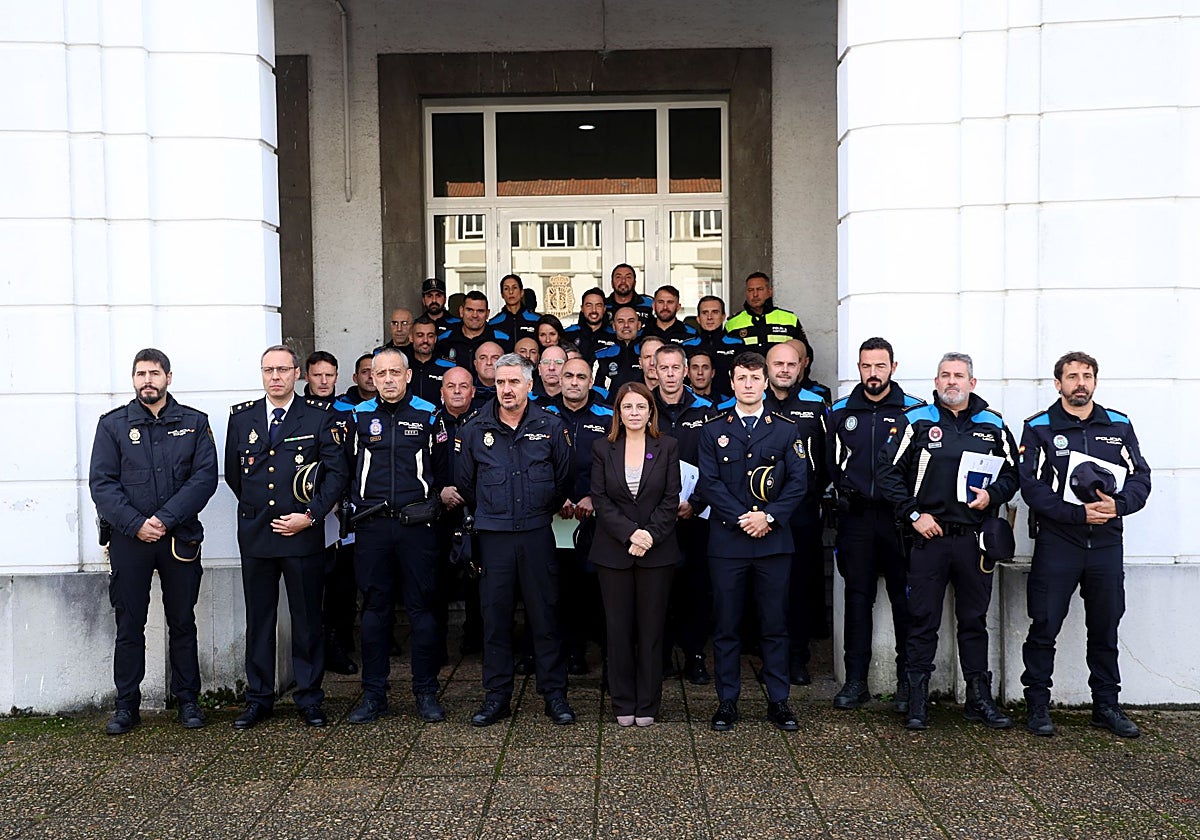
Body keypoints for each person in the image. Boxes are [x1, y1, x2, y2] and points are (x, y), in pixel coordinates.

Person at [877, 352, 1018, 731]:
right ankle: (917, 701)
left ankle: (978, 699)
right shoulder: (917, 421)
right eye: (944, 375)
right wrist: (913, 515)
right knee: (922, 620)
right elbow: (887, 474)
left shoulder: (993, 425)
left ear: (972, 383)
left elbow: (1012, 476)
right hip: (930, 538)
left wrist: (994, 497)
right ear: (936, 382)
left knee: (973, 621)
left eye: (959, 375)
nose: (951, 381)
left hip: (974, 541)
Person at [1019, 351, 1152, 738]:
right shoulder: (1039, 427)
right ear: (1057, 383)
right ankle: (1038, 705)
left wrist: (1120, 505)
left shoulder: (1119, 425)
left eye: (1087, 375)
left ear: (1095, 381)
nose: (1080, 382)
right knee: (1044, 625)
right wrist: (1076, 515)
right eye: (1072, 376)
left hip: (1107, 544)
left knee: (1105, 626)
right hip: (1059, 542)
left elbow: (1141, 477)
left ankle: (1106, 706)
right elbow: (1031, 487)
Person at [89, 348, 219, 735]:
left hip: (178, 538)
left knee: (183, 621)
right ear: (133, 379)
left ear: (168, 378)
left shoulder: (195, 424)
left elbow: (204, 479)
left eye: (155, 373)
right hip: (131, 540)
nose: (148, 380)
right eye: (141, 373)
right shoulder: (112, 425)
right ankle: (127, 706)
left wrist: (163, 519)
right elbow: (102, 484)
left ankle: (189, 701)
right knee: (130, 623)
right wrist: (135, 523)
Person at [224, 345, 349, 729]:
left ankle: (309, 697)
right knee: (259, 619)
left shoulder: (318, 417)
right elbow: (234, 474)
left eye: (282, 369)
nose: (275, 377)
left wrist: (309, 517)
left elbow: (336, 475)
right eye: (268, 370)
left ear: (297, 373)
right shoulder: (242, 419)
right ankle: (259, 697)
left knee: (307, 618)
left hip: (302, 534)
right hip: (258, 533)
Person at [455, 353, 576, 727]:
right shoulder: (475, 428)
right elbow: (465, 485)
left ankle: (554, 695)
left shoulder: (552, 426)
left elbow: (564, 479)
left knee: (546, 616)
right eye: (500, 382)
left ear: (529, 384)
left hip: (538, 533)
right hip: (494, 537)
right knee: (495, 620)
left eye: (513, 382)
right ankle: (497, 697)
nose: (506, 389)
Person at [699, 351, 807, 732]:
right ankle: (727, 701)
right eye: (741, 378)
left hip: (773, 543)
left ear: (765, 383)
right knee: (727, 626)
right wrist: (744, 519)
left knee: (774, 625)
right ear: (731, 382)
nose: (748, 384)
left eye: (754, 378)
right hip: (728, 543)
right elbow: (709, 483)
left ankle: (779, 702)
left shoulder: (786, 429)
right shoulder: (713, 429)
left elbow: (798, 482)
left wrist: (769, 517)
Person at [343, 348, 446, 724]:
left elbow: (443, 469)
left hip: (417, 527)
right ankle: (373, 694)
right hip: (372, 527)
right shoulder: (357, 417)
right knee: (374, 612)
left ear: (406, 376)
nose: (386, 379)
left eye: (393, 372)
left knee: (422, 611)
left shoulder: (428, 414)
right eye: (379, 373)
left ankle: (427, 691)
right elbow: (346, 469)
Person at [827, 337, 924, 712]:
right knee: (857, 599)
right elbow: (828, 464)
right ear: (859, 368)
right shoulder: (838, 412)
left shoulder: (915, 412)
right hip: (856, 519)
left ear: (893, 368)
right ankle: (855, 682)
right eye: (866, 367)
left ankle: (905, 683)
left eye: (880, 366)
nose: (873, 374)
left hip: (900, 520)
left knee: (905, 602)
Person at [590, 382, 682, 727]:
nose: (633, 413)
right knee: (618, 630)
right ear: (618, 412)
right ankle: (622, 702)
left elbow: (670, 498)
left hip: (657, 552)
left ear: (650, 412)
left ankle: (648, 704)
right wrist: (631, 533)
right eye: (627, 407)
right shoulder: (603, 448)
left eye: (640, 407)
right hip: (613, 551)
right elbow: (600, 499)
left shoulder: (668, 446)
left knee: (651, 630)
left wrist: (648, 536)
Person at [764, 342, 830, 687]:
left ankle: (798, 658)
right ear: (767, 367)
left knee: (801, 587)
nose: (785, 369)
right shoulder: (753, 403)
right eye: (778, 364)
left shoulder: (815, 406)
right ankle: (769, 658)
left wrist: (813, 497)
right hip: (760, 517)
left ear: (800, 367)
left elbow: (827, 460)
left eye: (791, 364)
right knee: (767, 589)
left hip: (802, 515)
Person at [651, 344, 716, 684]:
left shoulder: (708, 409)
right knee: (657, 589)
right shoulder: (642, 408)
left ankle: (695, 656)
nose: (671, 374)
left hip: (697, 517)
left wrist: (698, 502)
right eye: (665, 368)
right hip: (654, 519)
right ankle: (659, 658)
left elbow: (718, 463)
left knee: (696, 589)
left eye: (677, 368)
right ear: (654, 370)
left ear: (687, 371)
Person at [552, 357, 614, 673]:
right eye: (569, 376)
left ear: (591, 382)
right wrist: (555, 497)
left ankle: (605, 651)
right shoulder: (543, 414)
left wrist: (593, 496)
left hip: (597, 516)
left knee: (597, 586)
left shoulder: (607, 416)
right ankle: (571, 652)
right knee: (562, 588)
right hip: (555, 517)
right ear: (558, 379)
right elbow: (536, 462)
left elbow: (614, 464)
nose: (574, 382)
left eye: (581, 377)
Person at [302, 350, 359, 677]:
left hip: (342, 510)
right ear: (306, 376)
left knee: (343, 582)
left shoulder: (349, 411)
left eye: (329, 375)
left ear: (337, 377)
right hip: (307, 510)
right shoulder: (297, 412)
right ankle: (314, 647)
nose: (323, 381)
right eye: (317, 375)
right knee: (313, 584)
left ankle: (337, 643)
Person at [433, 366, 483, 654]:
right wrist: (440, 491)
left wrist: (467, 493)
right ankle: (437, 644)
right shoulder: (430, 422)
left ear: (473, 392)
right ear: (442, 392)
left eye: (463, 386)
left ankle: (474, 637)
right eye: (451, 386)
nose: (457, 391)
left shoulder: (483, 423)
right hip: (438, 509)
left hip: (474, 508)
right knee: (436, 579)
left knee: (477, 578)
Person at [724, 272, 805, 351]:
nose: (755, 294)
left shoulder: (790, 319)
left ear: (770, 292)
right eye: (750, 290)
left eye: (760, 289)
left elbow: (805, 353)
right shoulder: (732, 324)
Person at [683, 295, 743, 384]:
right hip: (695, 397)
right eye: (705, 313)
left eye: (715, 312)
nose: (709, 317)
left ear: (723, 316)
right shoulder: (687, 346)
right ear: (698, 319)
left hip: (729, 397)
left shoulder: (737, 344)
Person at [438, 291, 509, 367]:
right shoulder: (444, 339)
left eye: (480, 311)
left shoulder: (503, 340)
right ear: (461, 311)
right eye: (470, 310)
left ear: (487, 314)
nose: (475, 315)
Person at [407, 315, 458, 404]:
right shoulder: (402, 366)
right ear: (411, 337)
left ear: (435, 339)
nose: (425, 340)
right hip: (407, 417)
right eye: (420, 335)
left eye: (430, 336)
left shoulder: (450, 367)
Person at [593, 306, 644, 393]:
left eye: (631, 321)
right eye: (620, 321)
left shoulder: (648, 355)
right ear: (613, 326)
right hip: (610, 406)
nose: (626, 325)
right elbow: (595, 389)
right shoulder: (601, 356)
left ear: (639, 325)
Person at [488, 273, 540, 350]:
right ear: (502, 294)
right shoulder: (493, 323)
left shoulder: (537, 320)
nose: (511, 292)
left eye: (514, 288)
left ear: (522, 292)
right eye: (506, 289)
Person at [564, 287, 616, 362]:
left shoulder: (615, 336)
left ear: (604, 309)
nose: (594, 310)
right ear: (582, 308)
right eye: (589, 305)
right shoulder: (568, 334)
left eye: (598, 305)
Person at [793, 337, 832, 405]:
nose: (787, 367)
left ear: (806, 362)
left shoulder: (820, 392)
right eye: (780, 362)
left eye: (796, 359)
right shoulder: (770, 392)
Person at [470, 341, 504, 411]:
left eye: (495, 358)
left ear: (504, 363)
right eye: (483, 358)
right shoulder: (466, 389)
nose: (489, 363)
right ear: (475, 364)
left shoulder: (512, 389)